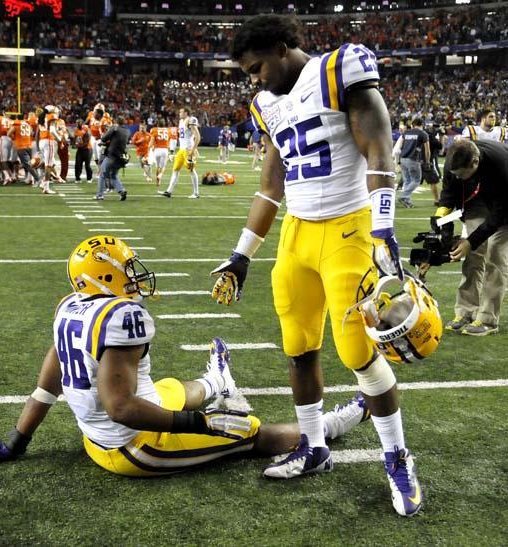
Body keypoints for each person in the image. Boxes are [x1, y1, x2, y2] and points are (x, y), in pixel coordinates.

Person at [210, 14, 422, 517]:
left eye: (258, 67)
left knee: (357, 351)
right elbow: (270, 185)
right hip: (297, 235)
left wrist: (384, 226)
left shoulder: (336, 69)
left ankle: (397, 457)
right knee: (299, 347)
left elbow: (378, 147)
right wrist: (242, 254)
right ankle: (313, 446)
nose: (254, 79)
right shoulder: (266, 104)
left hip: (347, 230)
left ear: (284, 48)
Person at [0, 235, 369, 474]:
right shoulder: (122, 316)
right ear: (103, 278)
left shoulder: (69, 305)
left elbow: (47, 385)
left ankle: (217, 382)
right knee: (249, 432)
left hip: (94, 438)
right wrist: (200, 422)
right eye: (125, 270)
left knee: (165, 388)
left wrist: (16, 441)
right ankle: (334, 425)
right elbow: (121, 407)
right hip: (134, 448)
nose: (135, 275)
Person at [435, 139, 508, 336]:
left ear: (475, 163)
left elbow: (499, 215)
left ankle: (488, 319)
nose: (457, 178)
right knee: (473, 257)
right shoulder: (454, 162)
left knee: (495, 257)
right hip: (479, 199)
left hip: (504, 204)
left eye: (461, 175)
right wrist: (441, 226)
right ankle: (466, 312)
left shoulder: (500, 164)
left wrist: (470, 241)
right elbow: (448, 195)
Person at [159, 107, 201, 199]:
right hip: (181, 150)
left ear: (186, 113)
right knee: (175, 170)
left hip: (188, 150)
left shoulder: (190, 120)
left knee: (191, 170)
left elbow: (197, 137)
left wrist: (193, 150)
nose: (179, 113)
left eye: (181, 112)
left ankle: (196, 193)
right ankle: (169, 191)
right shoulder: (181, 122)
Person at [397, 118, 430, 208]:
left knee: (407, 180)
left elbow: (400, 147)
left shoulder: (406, 133)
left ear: (413, 124)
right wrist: (427, 162)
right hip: (413, 159)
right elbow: (427, 150)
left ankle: (407, 202)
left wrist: (399, 161)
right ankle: (403, 196)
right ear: (422, 124)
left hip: (403, 158)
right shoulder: (423, 134)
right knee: (416, 180)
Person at [95, 116, 129, 201]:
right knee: (113, 175)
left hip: (112, 156)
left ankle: (99, 195)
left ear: (116, 121)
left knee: (102, 175)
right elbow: (117, 141)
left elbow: (104, 138)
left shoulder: (115, 128)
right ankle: (122, 190)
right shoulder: (127, 130)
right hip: (121, 157)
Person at [149, 119, 171, 186]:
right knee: (163, 167)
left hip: (156, 150)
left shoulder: (154, 130)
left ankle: (158, 182)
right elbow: (168, 142)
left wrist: (149, 148)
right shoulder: (168, 130)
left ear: (158, 124)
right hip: (164, 150)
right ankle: (160, 176)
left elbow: (151, 142)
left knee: (158, 167)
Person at [73, 118, 93, 183]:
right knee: (78, 164)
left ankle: (89, 178)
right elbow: (75, 138)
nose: (78, 125)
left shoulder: (86, 129)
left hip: (87, 149)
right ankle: (77, 178)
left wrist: (78, 146)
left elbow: (87, 141)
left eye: (79, 124)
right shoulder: (76, 129)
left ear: (82, 124)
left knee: (87, 165)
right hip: (80, 149)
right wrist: (74, 144)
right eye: (77, 124)